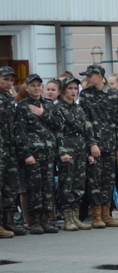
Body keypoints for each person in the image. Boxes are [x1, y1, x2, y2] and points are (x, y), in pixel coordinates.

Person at [79, 64, 118, 228]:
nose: (87, 78)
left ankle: (107, 214)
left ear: (99, 76)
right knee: (94, 181)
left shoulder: (113, 94)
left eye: (90, 75)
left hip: (110, 144)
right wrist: (91, 144)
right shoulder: (85, 95)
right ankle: (97, 215)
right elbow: (85, 122)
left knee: (108, 180)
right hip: (95, 145)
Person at [16, 74, 61, 234]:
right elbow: (19, 133)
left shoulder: (48, 104)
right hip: (33, 154)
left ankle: (46, 219)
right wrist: (26, 153)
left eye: (38, 85)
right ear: (27, 88)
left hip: (48, 153)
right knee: (34, 188)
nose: (36, 88)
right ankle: (34, 221)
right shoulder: (22, 107)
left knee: (48, 187)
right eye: (32, 85)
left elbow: (58, 124)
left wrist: (43, 114)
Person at [55, 77, 94, 231]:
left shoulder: (79, 108)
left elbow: (86, 130)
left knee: (78, 183)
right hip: (67, 149)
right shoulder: (58, 108)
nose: (73, 91)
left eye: (75, 88)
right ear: (63, 90)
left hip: (80, 149)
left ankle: (76, 217)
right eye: (70, 88)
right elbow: (57, 133)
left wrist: (88, 150)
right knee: (67, 184)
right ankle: (68, 218)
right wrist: (62, 152)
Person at [0, 66, 26, 237]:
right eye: (5, 79)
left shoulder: (9, 99)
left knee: (10, 186)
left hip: (9, 148)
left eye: (11, 80)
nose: (9, 83)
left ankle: (8, 222)